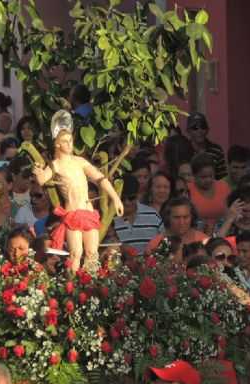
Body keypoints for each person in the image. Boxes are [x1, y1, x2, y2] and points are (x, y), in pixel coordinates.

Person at [33, 110, 123, 272]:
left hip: (88, 212)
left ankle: (90, 285)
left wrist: (115, 197)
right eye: (65, 141)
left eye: (70, 140)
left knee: (92, 253)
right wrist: (38, 172)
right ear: (57, 144)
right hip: (73, 214)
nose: (69, 144)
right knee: (76, 253)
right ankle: (73, 286)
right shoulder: (56, 164)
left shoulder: (80, 161)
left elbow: (100, 178)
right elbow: (42, 179)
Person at [113, 175, 163, 253]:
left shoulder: (153, 215)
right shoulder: (109, 220)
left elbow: (164, 242)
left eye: (131, 198)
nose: (127, 202)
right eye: (122, 198)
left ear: (138, 195)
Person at [188, 153, 231, 234]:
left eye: (211, 176)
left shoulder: (224, 186)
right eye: (203, 177)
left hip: (224, 233)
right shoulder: (187, 190)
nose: (208, 180)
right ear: (194, 175)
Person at [186, 112, 227, 180]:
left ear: (207, 130)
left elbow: (222, 177)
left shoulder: (217, 150)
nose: (200, 131)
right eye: (195, 128)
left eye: (203, 127)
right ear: (188, 131)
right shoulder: (183, 149)